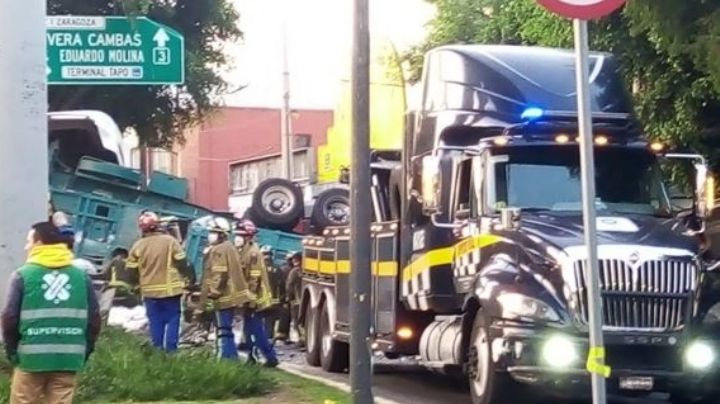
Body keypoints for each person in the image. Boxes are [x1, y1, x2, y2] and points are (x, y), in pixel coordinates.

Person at [2, 222, 101, 404]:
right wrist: (85, 349)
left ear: (39, 243)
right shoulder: (81, 276)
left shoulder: (23, 275)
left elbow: (9, 318)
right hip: (68, 358)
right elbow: (94, 319)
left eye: (28, 241)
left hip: (30, 358)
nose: (26, 247)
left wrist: (12, 351)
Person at [126, 211, 193, 353]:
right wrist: (189, 279)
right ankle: (171, 352)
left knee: (155, 322)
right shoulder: (170, 242)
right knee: (173, 320)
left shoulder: (138, 246)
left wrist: (136, 286)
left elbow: (131, 271)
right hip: (171, 291)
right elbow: (183, 263)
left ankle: (157, 351)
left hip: (149, 293)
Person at [197, 216, 251, 359]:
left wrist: (213, 293)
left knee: (223, 329)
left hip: (224, 296)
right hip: (232, 295)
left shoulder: (219, 250)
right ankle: (229, 355)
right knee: (225, 328)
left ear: (222, 234)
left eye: (213, 232)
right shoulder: (229, 247)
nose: (210, 235)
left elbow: (219, 273)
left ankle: (226, 357)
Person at [235, 220, 278, 367]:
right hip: (249, 299)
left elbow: (254, 279)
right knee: (249, 330)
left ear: (248, 237)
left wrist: (250, 300)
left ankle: (270, 358)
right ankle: (252, 357)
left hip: (255, 300)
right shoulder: (243, 251)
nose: (237, 238)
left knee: (256, 331)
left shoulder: (253, 253)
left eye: (241, 235)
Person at [285, 251, 304, 346]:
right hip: (305, 301)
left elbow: (289, 286)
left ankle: (302, 340)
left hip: (296, 301)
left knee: (297, 321)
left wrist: (288, 298)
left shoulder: (294, 272)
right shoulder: (306, 270)